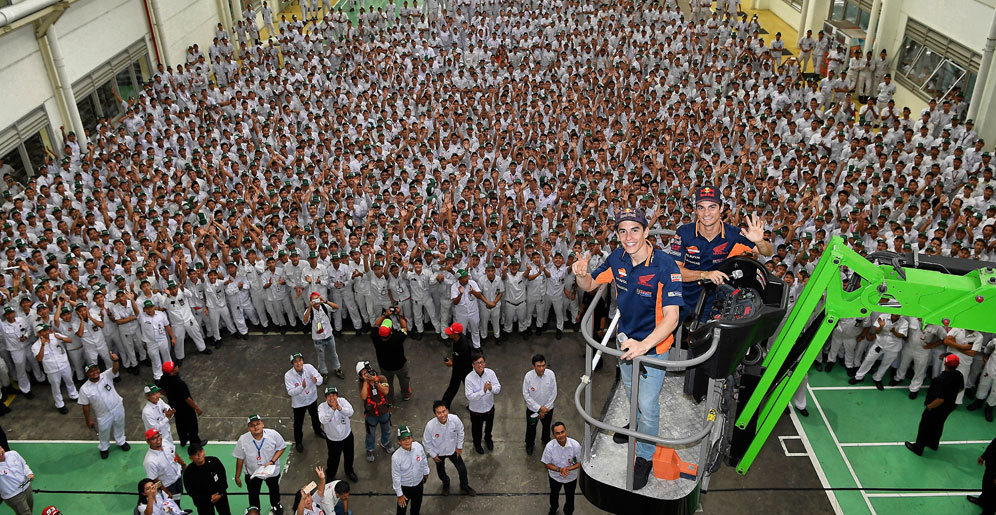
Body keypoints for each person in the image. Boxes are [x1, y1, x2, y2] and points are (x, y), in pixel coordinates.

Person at [575, 207, 682, 490]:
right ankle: (632, 425)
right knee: (630, 391)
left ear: (647, 232)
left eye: (635, 229)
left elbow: (672, 317)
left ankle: (644, 457)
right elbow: (590, 285)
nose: (628, 236)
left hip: (654, 347)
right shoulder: (617, 257)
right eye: (622, 230)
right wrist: (581, 275)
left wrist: (644, 345)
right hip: (625, 341)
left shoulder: (665, 266)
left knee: (648, 406)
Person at [671, 187, 772, 322]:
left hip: (709, 298)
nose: (706, 213)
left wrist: (759, 241)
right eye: (701, 207)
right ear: (695, 210)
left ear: (722, 208)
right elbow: (674, 272)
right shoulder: (684, 232)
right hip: (680, 294)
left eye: (712, 207)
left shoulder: (733, 234)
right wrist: (704, 274)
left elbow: (767, 252)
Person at [905, 354, 965, 456]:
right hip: (949, 406)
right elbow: (961, 388)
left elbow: (940, 399)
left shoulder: (940, 380)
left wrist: (929, 407)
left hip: (936, 408)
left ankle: (918, 448)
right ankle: (933, 444)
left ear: (945, 363)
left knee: (924, 427)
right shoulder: (959, 375)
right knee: (938, 425)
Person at [78, 354, 131, 459]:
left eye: (96, 369)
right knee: (104, 432)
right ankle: (104, 448)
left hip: (117, 407)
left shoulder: (106, 375)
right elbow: (85, 406)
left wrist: (115, 360)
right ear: (87, 374)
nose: (95, 372)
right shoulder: (84, 389)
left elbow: (115, 370)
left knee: (120, 425)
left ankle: (121, 441)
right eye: (91, 371)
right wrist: (88, 420)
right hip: (103, 414)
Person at [233, 414, 286, 514]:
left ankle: (275, 504)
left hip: (271, 471)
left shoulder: (273, 434)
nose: (256, 427)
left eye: (258, 424)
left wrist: (272, 461)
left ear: (262, 424)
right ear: (249, 428)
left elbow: (281, 447)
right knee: (253, 494)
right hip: (253, 473)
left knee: (274, 489)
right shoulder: (243, 440)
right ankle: (255, 510)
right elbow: (240, 458)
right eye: (252, 425)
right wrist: (237, 476)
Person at [422, 400, 475, 496]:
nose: (442, 415)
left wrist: (459, 447)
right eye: (439, 413)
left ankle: (464, 485)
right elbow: (426, 442)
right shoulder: (430, 426)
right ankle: (446, 484)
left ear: (447, 410)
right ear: (435, 414)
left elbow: (461, 432)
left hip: (453, 450)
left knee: (462, 469)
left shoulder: (455, 420)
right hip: (439, 453)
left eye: (444, 411)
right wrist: (433, 455)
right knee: (441, 472)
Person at [31, 323, 78, 414]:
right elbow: (39, 359)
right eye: (42, 332)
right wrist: (43, 345)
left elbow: (70, 340)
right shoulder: (35, 346)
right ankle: (60, 404)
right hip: (51, 370)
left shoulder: (55, 336)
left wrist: (61, 338)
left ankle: (74, 395)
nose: (45, 333)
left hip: (64, 364)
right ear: (38, 334)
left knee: (69, 381)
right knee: (56, 387)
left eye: (46, 330)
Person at [285, 352, 326, 452]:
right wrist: (301, 387)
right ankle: (298, 442)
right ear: (292, 364)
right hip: (299, 403)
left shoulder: (309, 368)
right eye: (295, 362)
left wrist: (316, 380)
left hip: (312, 398)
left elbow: (320, 379)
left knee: (315, 416)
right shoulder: (288, 375)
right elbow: (290, 392)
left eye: (300, 360)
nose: (298, 363)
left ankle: (318, 430)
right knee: (298, 423)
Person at [160, 361, 207, 447]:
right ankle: (195, 442)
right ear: (172, 371)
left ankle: (183, 440)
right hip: (186, 407)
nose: (177, 367)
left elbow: (160, 389)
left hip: (174, 405)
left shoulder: (163, 379)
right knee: (192, 425)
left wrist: (169, 396)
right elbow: (187, 398)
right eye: (175, 366)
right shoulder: (179, 383)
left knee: (180, 423)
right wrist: (197, 408)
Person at [318, 386, 359, 483]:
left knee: (349, 455)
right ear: (325, 397)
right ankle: (330, 474)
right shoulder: (322, 407)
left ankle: (349, 471)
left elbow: (351, 412)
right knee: (333, 459)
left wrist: (340, 408)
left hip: (347, 436)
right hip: (333, 440)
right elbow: (323, 420)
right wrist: (332, 409)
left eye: (334, 395)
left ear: (337, 395)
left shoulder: (343, 401)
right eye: (329, 396)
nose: (332, 398)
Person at [371, 310, 412, 402]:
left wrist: (384, 315)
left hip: (384, 366)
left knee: (387, 382)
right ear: (390, 332)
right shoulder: (397, 338)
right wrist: (399, 314)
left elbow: (375, 325)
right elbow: (405, 327)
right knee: (404, 379)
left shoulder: (376, 337)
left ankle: (389, 398)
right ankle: (406, 394)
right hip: (400, 365)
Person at [541, 422, 581, 515]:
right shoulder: (549, 447)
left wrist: (568, 469)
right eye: (557, 433)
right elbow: (547, 464)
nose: (561, 435)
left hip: (571, 477)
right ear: (554, 435)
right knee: (554, 494)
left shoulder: (575, 445)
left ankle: (568, 512)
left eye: (562, 432)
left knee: (570, 497)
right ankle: (554, 508)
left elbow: (580, 462)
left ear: (566, 431)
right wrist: (560, 470)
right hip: (555, 476)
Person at [357, 360, 393, 462]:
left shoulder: (381, 378)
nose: (368, 374)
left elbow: (386, 391)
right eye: (364, 373)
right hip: (371, 414)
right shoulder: (362, 384)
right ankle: (369, 449)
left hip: (384, 411)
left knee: (386, 429)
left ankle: (385, 442)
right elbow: (364, 396)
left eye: (368, 370)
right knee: (370, 433)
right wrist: (365, 381)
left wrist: (376, 382)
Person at [464, 353, 501, 454]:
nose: (480, 365)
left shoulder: (490, 373)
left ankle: (488, 439)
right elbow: (469, 396)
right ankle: (477, 444)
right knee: (476, 430)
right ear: (473, 365)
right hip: (476, 410)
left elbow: (498, 389)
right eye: (477, 363)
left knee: (489, 427)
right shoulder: (469, 378)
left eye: (482, 362)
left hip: (489, 407)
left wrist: (491, 388)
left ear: (484, 363)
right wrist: (483, 391)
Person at [142, 428, 186, 508]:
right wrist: (166, 491)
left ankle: (178, 509)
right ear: (148, 441)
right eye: (154, 438)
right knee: (170, 505)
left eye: (158, 436)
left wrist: (183, 464)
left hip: (178, 478)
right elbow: (154, 479)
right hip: (168, 485)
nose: (158, 440)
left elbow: (174, 453)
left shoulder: (165, 443)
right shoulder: (149, 461)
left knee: (178, 497)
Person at [522, 353, 557, 455]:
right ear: (533, 366)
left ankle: (546, 440)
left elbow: (554, 392)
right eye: (539, 366)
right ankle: (529, 444)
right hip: (532, 410)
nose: (542, 369)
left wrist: (545, 408)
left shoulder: (550, 374)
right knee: (531, 428)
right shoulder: (528, 377)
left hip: (548, 409)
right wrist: (538, 408)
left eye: (543, 365)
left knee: (547, 426)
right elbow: (526, 394)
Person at [304, 292, 344, 380]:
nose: (316, 302)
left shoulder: (324, 306)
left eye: (317, 299)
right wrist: (310, 307)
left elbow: (336, 307)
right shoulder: (309, 310)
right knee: (321, 357)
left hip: (329, 336)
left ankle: (337, 368)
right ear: (311, 301)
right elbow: (305, 320)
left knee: (334, 354)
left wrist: (325, 301)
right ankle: (323, 372)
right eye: (314, 300)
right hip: (318, 339)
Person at [391, 425, 429, 515]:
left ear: (412, 438)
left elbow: (424, 460)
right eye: (403, 440)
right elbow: (396, 476)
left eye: (409, 438)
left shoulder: (418, 447)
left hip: (418, 485)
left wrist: (426, 472)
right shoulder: (396, 457)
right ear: (399, 442)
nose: (407, 441)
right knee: (401, 511)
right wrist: (400, 494)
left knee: (416, 508)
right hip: (405, 488)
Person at [183, 443, 231, 515]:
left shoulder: (215, 461)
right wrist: (208, 498)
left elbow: (223, 478)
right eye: (195, 454)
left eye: (200, 452)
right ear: (191, 458)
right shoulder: (188, 472)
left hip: (220, 496)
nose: (199, 455)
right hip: (203, 502)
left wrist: (221, 494)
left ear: (204, 451)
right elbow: (191, 491)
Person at [441, 322, 473, 409]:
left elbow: (465, 362)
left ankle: (475, 405)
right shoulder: (458, 338)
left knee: (469, 388)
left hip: (464, 370)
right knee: (454, 386)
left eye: (451, 332)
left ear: (455, 334)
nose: (448, 333)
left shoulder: (463, 346)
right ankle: (445, 404)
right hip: (459, 367)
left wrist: (452, 364)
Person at [0, 445, 33, 515]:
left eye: (0, 448)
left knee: (30, 508)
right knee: (25, 513)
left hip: (27, 487)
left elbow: (24, 464)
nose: (1, 452)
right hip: (14, 496)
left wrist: (29, 473)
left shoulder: (13, 454)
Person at [968, 436, 996, 513]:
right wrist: (984, 456)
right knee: (986, 486)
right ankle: (982, 501)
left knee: (993, 495)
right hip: (991, 467)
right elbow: (994, 444)